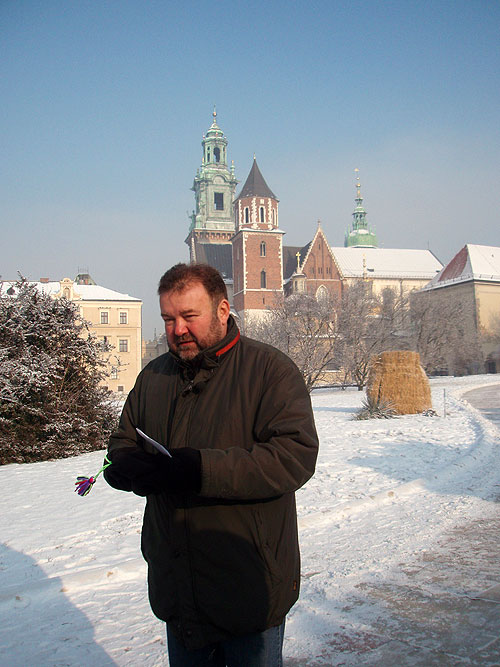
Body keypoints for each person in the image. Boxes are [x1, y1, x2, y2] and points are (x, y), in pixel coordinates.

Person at [104, 263, 318, 667]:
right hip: (178, 587)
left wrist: (200, 469)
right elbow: (124, 439)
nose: (177, 330)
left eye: (189, 316)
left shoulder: (270, 371)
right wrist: (125, 466)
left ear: (222, 311)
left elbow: (294, 456)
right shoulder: (154, 377)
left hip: (248, 588)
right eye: (168, 319)